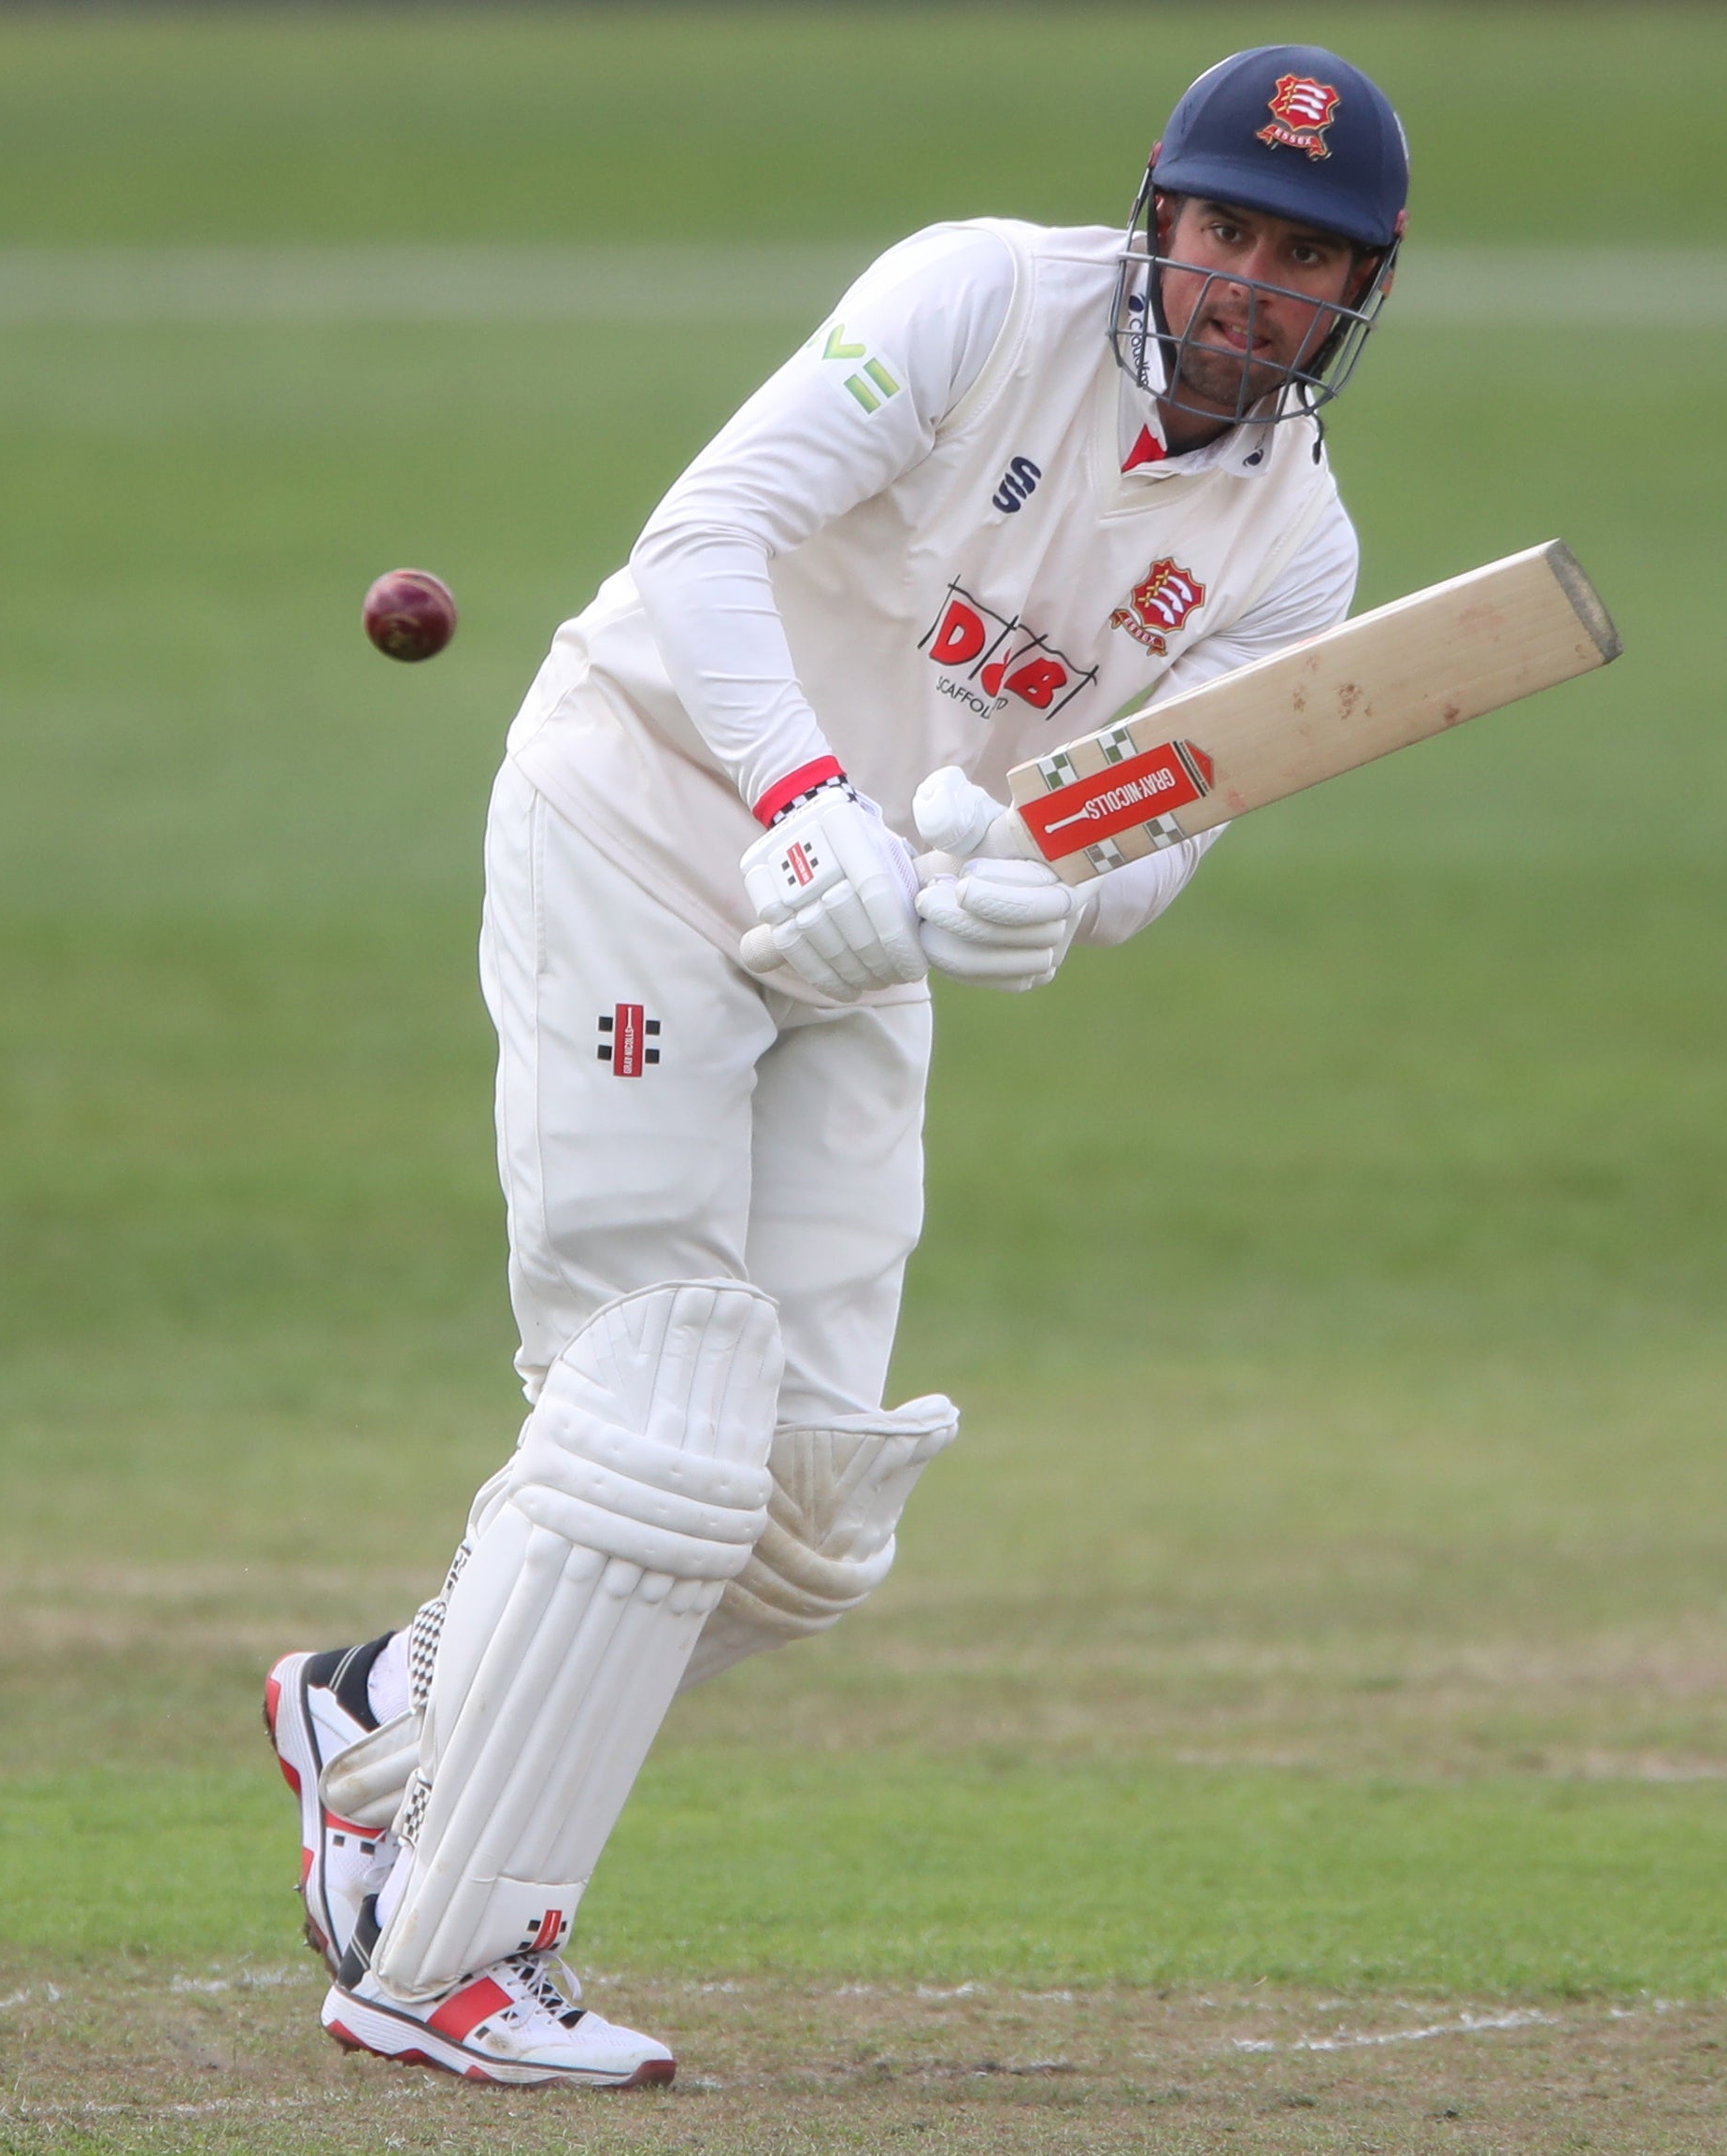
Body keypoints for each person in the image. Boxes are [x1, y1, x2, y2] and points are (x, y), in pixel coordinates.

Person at [262, 44, 1411, 2088]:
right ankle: (448, 1949)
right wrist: (802, 794)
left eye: (1296, 256)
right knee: (652, 1399)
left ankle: (380, 1710)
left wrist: (1021, 896)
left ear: (1359, 288)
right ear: (1159, 217)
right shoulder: (973, 293)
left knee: (799, 1518)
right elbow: (704, 535)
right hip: (643, 812)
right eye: (1222, 227)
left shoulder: (1296, 559)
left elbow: (1141, 842)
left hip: (863, 922)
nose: (1245, 280)